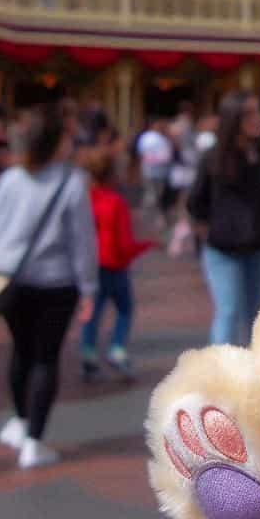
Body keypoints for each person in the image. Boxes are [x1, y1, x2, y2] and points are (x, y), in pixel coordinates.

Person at [0, 102, 98, 468]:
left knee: (20, 351)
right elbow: (82, 240)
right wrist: (88, 286)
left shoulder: (9, 179)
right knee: (44, 358)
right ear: (54, 142)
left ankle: (20, 421)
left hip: (12, 279)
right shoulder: (71, 182)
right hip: (55, 282)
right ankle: (34, 439)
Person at [187, 92, 260, 345]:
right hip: (223, 248)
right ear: (234, 119)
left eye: (257, 112)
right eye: (249, 114)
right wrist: (209, 232)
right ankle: (220, 374)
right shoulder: (213, 157)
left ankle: (250, 374)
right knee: (228, 311)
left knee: (255, 314)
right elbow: (196, 202)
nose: (257, 119)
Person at [80, 147, 154, 382]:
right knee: (124, 308)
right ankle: (117, 347)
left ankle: (88, 351)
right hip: (114, 264)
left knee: (93, 310)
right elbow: (123, 244)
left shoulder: (84, 199)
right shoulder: (115, 202)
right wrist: (147, 245)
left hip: (91, 263)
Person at [136, 116, 174, 226]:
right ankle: (152, 216)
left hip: (148, 171)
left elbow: (140, 153)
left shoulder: (145, 137)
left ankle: (148, 215)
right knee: (155, 195)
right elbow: (167, 156)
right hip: (158, 172)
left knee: (150, 193)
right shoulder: (161, 139)